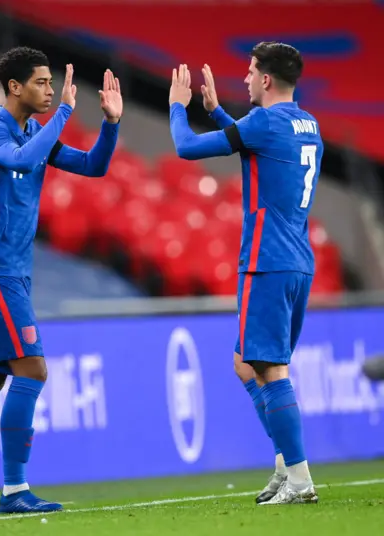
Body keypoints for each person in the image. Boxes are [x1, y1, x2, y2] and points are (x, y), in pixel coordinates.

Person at [0, 46, 122, 516]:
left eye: (51, 82)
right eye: (41, 82)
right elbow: (20, 161)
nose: (49, 89)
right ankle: (15, 489)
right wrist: (63, 111)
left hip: (12, 270)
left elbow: (93, 167)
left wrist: (111, 125)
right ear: (15, 87)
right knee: (33, 369)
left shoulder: (33, 131)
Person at [168, 42, 323, 505]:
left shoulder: (263, 122)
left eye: (251, 72)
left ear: (267, 80)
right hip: (298, 259)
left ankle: (300, 481)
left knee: (270, 369)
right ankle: (283, 465)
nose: (245, 79)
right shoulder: (307, 123)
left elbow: (184, 147)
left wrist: (180, 107)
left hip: (267, 259)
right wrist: (217, 113)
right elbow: (258, 146)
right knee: (246, 364)